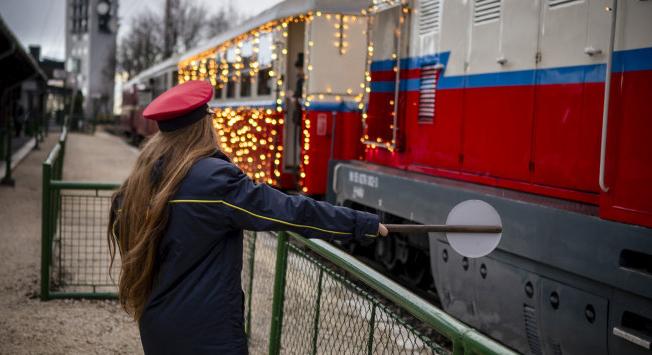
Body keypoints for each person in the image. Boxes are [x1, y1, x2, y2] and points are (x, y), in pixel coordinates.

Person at [108, 80, 388, 354]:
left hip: (156, 328)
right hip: (208, 335)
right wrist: (362, 223)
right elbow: (292, 211)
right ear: (203, 125)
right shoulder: (215, 181)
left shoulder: (137, 184)